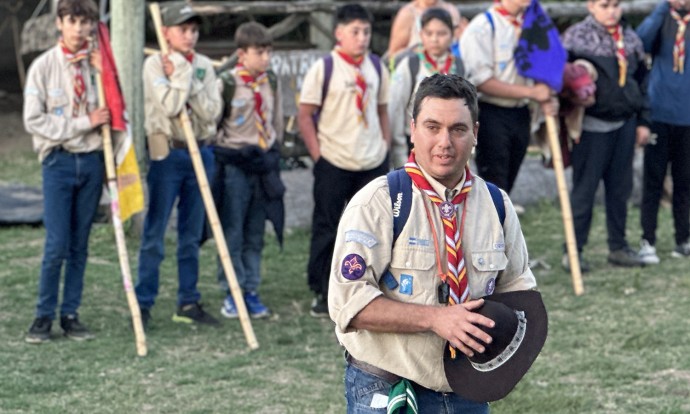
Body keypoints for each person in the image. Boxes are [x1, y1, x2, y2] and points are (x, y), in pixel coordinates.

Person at [329, 74, 544, 412]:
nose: (445, 142)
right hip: (390, 386)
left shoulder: (496, 205)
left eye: (458, 129)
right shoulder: (380, 202)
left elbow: (519, 292)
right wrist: (435, 319)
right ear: (413, 129)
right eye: (433, 127)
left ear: (475, 132)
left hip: (470, 388)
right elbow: (348, 305)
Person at [22, 0, 108, 343]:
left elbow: (112, 110)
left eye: (85, 22)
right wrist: (83, 123)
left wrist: (105, 76)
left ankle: (70, 314)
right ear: (60, 23)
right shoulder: (43, 67)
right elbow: (34, 120)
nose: (79, 29)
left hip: (90, 161)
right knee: (56, 243)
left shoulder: (97, 67)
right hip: (58, 161)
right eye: (72, 21)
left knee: (80, 244)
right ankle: (43, 316)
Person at [298, 3, 390, 318]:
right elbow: (305, 114)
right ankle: (323, 290)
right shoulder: (324, 68)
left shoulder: (376, 67)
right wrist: (318, 155)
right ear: (339, 33)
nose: (362, 38)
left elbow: (381, 109)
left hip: (371, 159)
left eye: (366, 31)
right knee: (329, 225)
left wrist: (385, 145)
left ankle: (370, 287)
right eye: (355, 31)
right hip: (334, 159)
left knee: (374, 227)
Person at [136, 4, 222, 328]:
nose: (190, 35)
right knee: (155, 232)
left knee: (191, 233)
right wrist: (180, 76)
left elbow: (212, 112)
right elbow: (171, 105)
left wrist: (189, 83)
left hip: (200, 151)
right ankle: (144, 303)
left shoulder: (203, 65)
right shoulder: (154, 65)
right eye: (183, 29)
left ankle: (188, 300)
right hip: (167, 154)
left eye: (194, 29)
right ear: (167, 32)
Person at [562, 0, 651, 270]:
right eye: (604, 5)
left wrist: (642, 120)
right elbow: (560, 80)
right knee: (585, 191)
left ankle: (619, 246)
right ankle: (574, 251)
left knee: (620, 189)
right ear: (590, 6)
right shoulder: (576, 38)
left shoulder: (630, 38)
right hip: (591, 126)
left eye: (616, 4)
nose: (611, 11)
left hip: (625, 123)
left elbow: (642, 80)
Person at [214, 22, 284, 319]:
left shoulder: (271, 82)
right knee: (233, 229)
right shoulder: (227, 83)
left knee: (256, 230)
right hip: (235, 165)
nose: (266, 58)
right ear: (242, 54)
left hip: (262, 164)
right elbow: (216, 125)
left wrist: (272, 151)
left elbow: (276, 121)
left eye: (268, 51)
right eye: (260, 52)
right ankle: (232, 290)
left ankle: (251, 289)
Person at [460, 0, 557, 196]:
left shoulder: (535, 23)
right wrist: (532, 93)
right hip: (492, 112)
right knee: (494, 184)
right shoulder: (483, 27)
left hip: (522, 112)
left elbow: (547, 64)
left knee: (508, 183)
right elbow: (481, 81)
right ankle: (492, 225)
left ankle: (504, 224)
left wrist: (547, 93)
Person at [636, 0, 690, 264]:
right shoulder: (663, 18)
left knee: (685, 181)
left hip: (687, 117)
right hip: (659, 114)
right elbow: (641, 42)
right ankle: (648, 240)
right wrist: (663, 7)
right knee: (654, 182)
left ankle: (683, 238)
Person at [388, 7, 464, 168]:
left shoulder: (460, 66)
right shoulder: (410, 65)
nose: (435, 39)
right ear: (421, 35)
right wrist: (400, 152)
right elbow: (395, 108)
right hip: (415, 143)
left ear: (452, 34)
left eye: (441, 33)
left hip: (449, 142)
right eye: (429, 33)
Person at [387, 0, 466, 59]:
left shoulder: (451, 10)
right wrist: (418, 52)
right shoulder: (408, 14)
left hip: (447, 68)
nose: (434, 38)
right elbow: (393, 54)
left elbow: (456, 43)